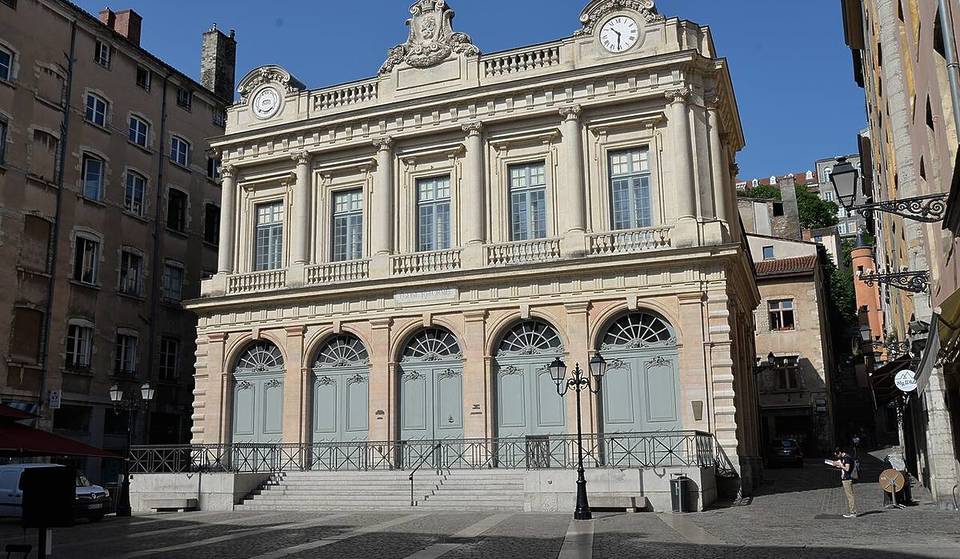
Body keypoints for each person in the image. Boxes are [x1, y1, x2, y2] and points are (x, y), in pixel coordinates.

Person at [827, 447, 858, 518]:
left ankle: (853, 512)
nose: (837, 456)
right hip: (845, 478)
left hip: (847, 479)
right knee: (849, 496)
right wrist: (837, 465)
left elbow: (847, 468)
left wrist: (841, 465)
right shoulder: (845, 457)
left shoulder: (846, 458)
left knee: (850, 496)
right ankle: (852, 512)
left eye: (837, 455)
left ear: (840, 452)